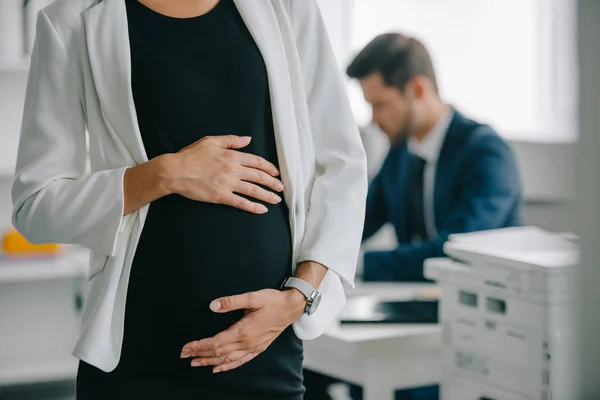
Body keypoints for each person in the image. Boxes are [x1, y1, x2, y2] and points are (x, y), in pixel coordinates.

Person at [11, 0, 368, 399]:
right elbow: (36, 205)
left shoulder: (287, 6)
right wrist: (167, 174)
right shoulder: (70, 20)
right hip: (137, 355)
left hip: (262, 349)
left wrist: (300, 296)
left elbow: (341, 167)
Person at [304, 32, 523, 400]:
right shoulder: (402, 153)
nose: (374, 120)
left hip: (478, 327)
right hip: (412, 312)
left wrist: (357, 263)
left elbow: (453, 252)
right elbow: (358, 219)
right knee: (309, 367)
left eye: (381, 105)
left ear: (418, 89)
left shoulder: (485, 153)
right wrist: (317, 253)